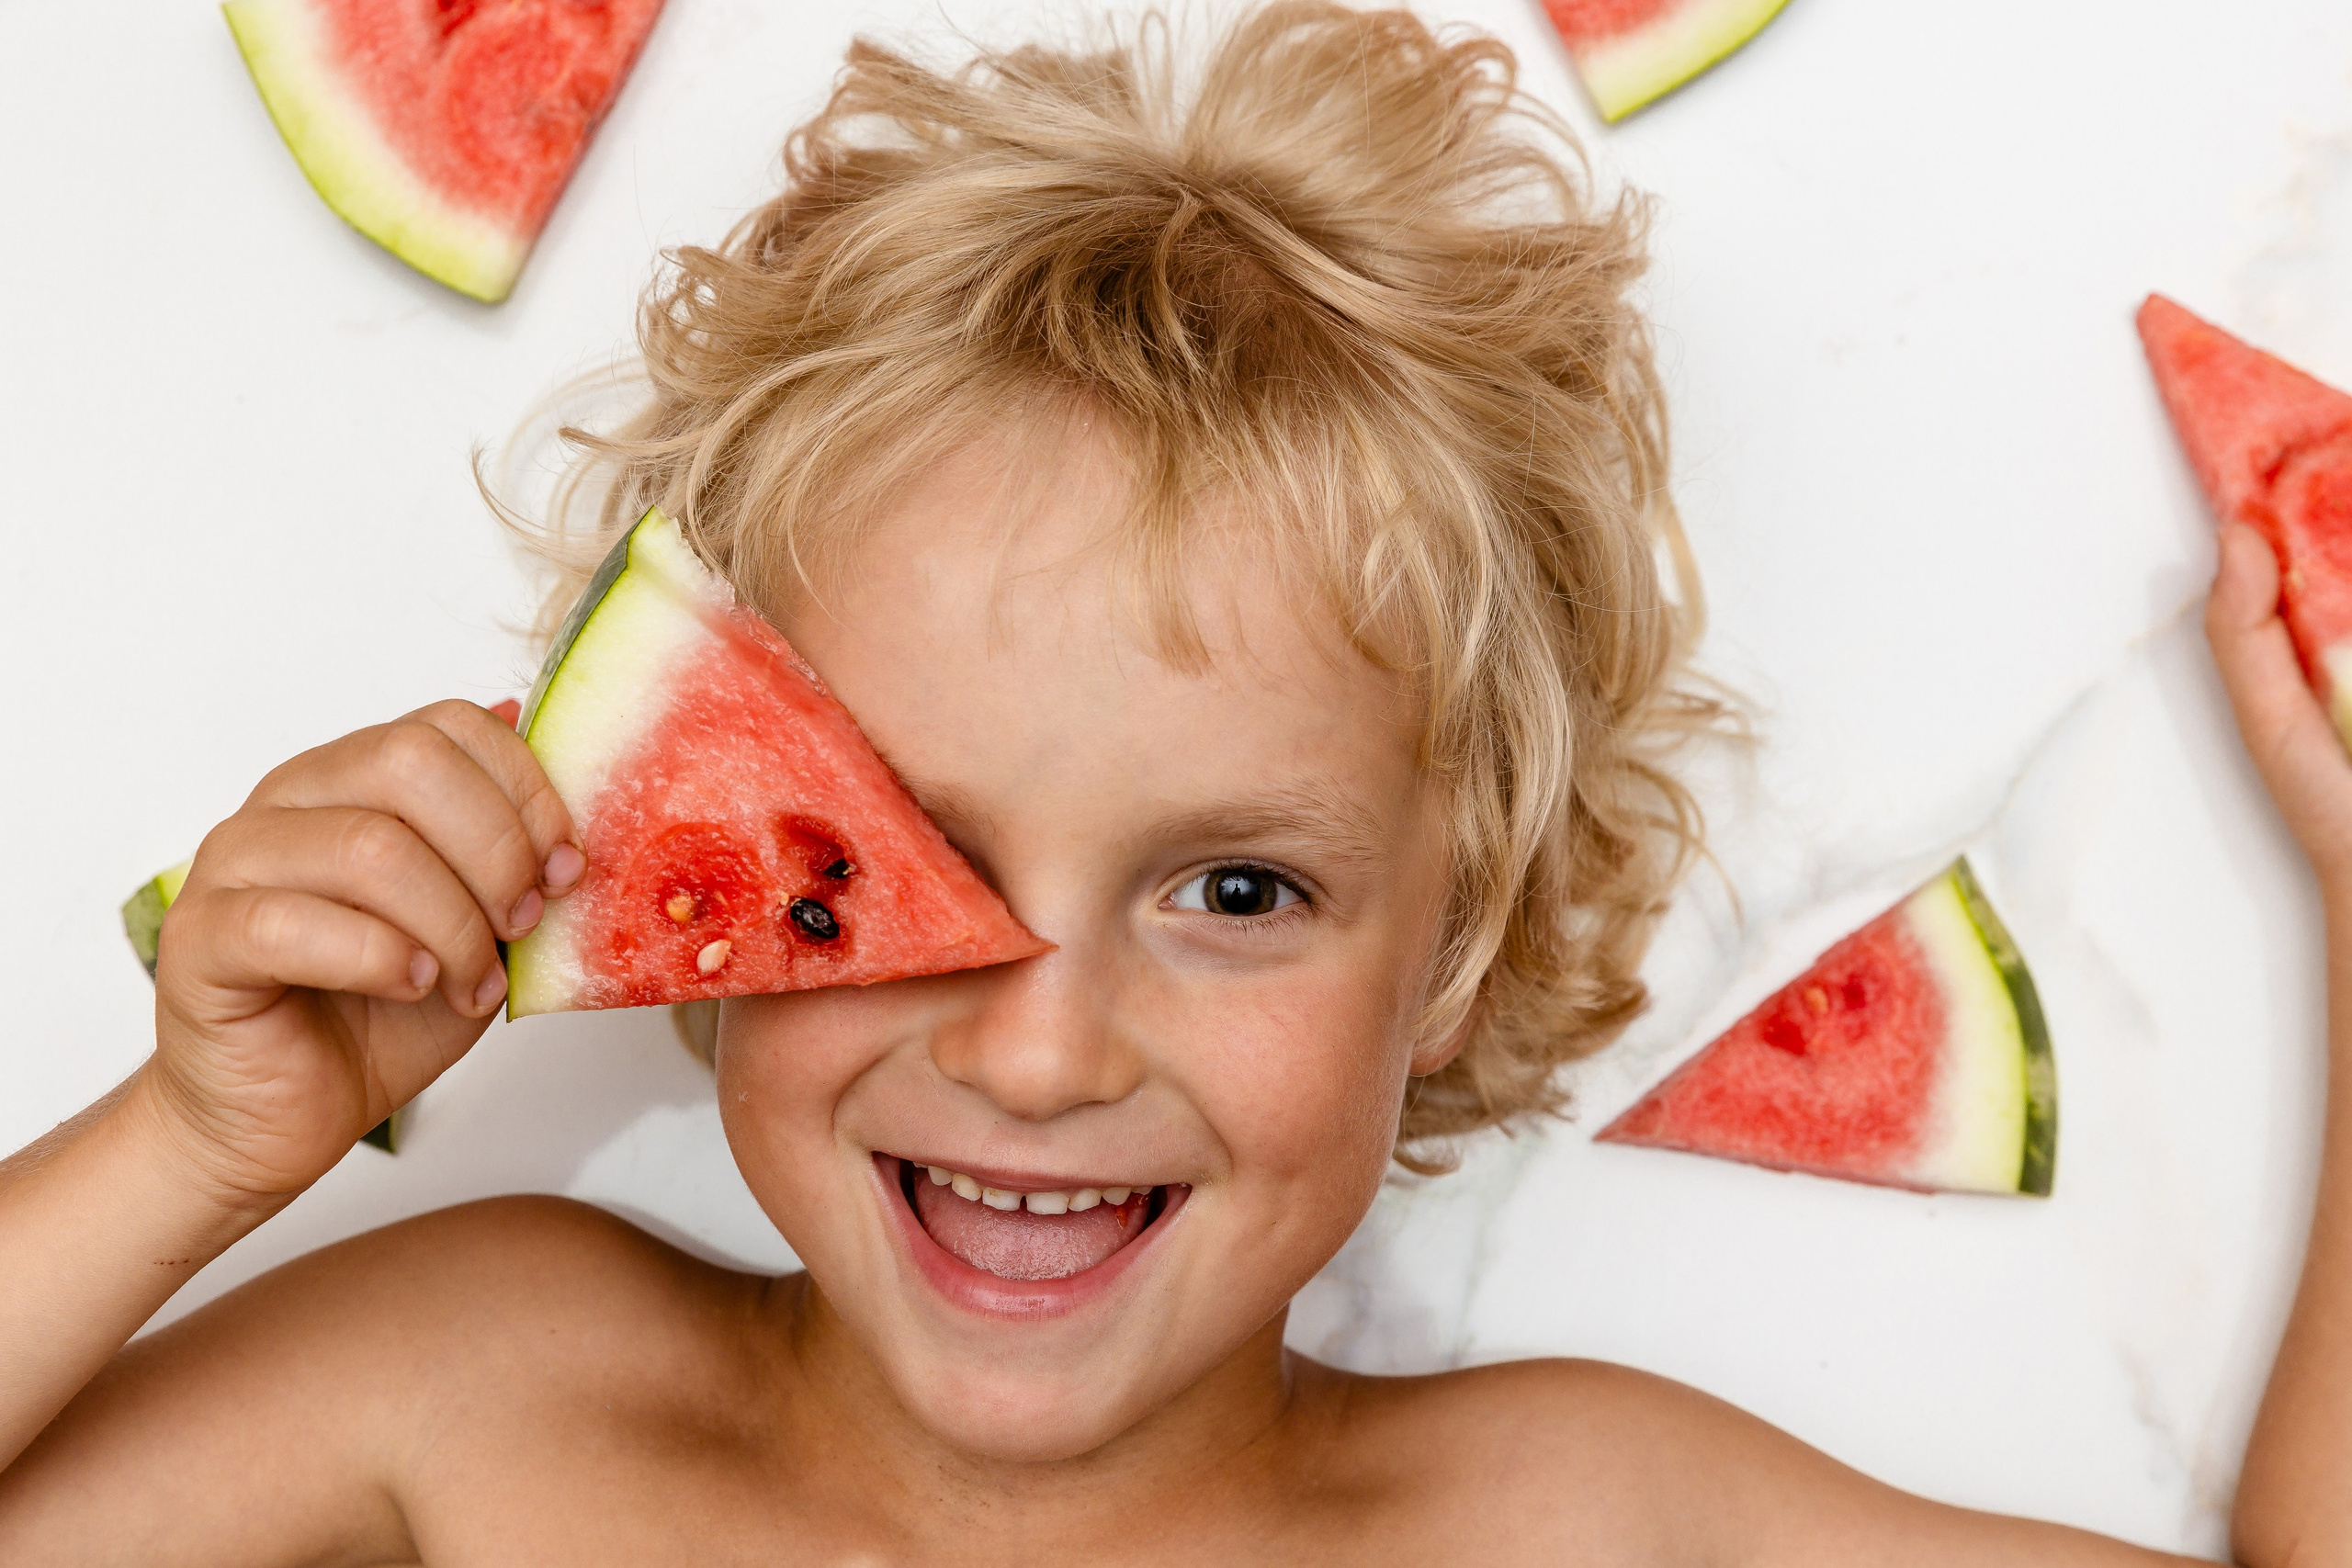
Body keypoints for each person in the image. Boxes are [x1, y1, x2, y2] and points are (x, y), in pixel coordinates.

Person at [0, 5, 2338, 1560]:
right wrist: (190, 1144)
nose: (1037, 1050)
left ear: (1457, 947)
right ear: (663, 852)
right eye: (893, 858)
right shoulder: (487, 1385)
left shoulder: (1571, 1516)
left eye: (1233, 889)